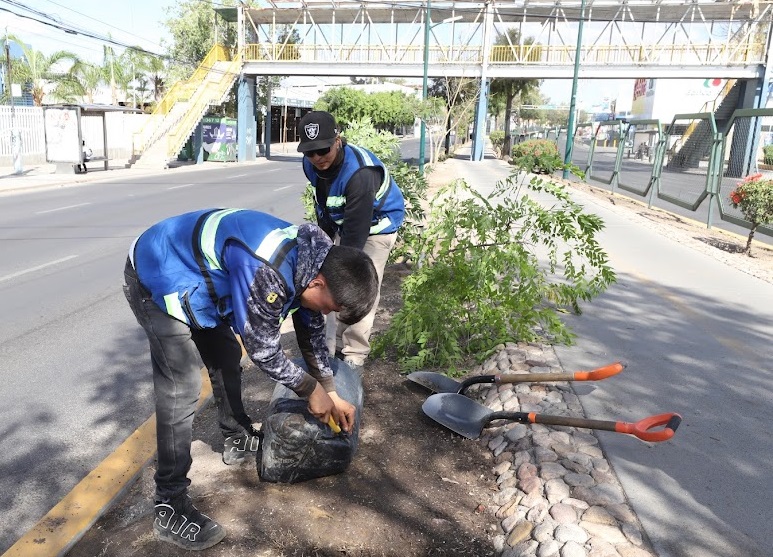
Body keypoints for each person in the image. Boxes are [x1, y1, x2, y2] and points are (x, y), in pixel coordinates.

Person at [123, 208, 378, 550]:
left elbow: (311, 331)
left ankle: (235, 437)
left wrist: (330, 391)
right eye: (329, 306)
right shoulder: (268, 271)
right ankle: (169, 505)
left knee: (226, 356)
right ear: (318, 282)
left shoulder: (316, 262)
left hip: (201, 277)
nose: (327, 313)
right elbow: (262, 348)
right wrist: (310, 389)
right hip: (158, 270)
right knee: (181, 388)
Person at [297, 110, 405, 370]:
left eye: (322, 150)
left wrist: (340, 269)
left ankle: (354, 353)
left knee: (356, 284)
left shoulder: (360, 174)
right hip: (342, 221)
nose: (317, 158)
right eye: (310, 152)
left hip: (376, 226)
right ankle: (332, 345)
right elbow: (323, 204)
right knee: (327, 282)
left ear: (338, 140)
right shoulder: (311, 164)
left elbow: (355, 237)